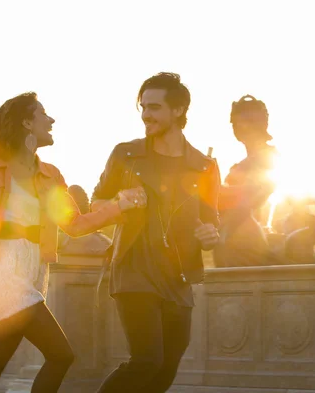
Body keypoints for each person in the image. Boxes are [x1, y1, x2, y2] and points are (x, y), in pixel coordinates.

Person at [0, 92, 144, 393]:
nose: (51, 120)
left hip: (34, 272)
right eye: (43, 114)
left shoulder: (51, 176)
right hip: (2, 271)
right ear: (26, 122)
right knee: (61, 355)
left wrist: (119, 209)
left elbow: (74, 225)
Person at [91, 72, 220, 392]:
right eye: (143, 107)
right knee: (146, 360)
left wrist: (212, 234)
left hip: (178, 274)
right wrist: (119, 202)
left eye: (155, 107)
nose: (146, 115)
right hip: (134, 268)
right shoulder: (126, 154)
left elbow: (211, 219)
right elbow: (96, 204)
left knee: (166, 367)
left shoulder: (204, 165)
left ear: (178, 110)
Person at [214, 94, 278, 267]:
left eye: (244, 122)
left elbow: (253, 195)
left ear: (260, 124)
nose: (238, 127)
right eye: (234, 123)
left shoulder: (267, 157)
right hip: (238, 231)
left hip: (248, 236)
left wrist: (216, 188)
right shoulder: (245, 163)